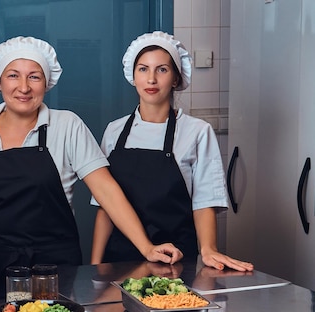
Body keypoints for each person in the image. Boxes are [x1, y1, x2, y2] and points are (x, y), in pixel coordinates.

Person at [0, 36, 183, 301]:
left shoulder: (67, 125)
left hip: (55, 269)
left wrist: (146, 247)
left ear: (47, 83)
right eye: (13, 76)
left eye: (34, 77)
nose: (23, 87)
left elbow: (106, 189)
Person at [90, 31, 253, 272]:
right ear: (133, 76)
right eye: (143, 69)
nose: (151, 79)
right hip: (119, 261)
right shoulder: (114, 131)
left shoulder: (197, 131)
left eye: (162, 70)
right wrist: (95, 265)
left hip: (175, 261)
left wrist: (208, 248)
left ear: (176, 79)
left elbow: (204, 200)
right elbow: (106, 204)